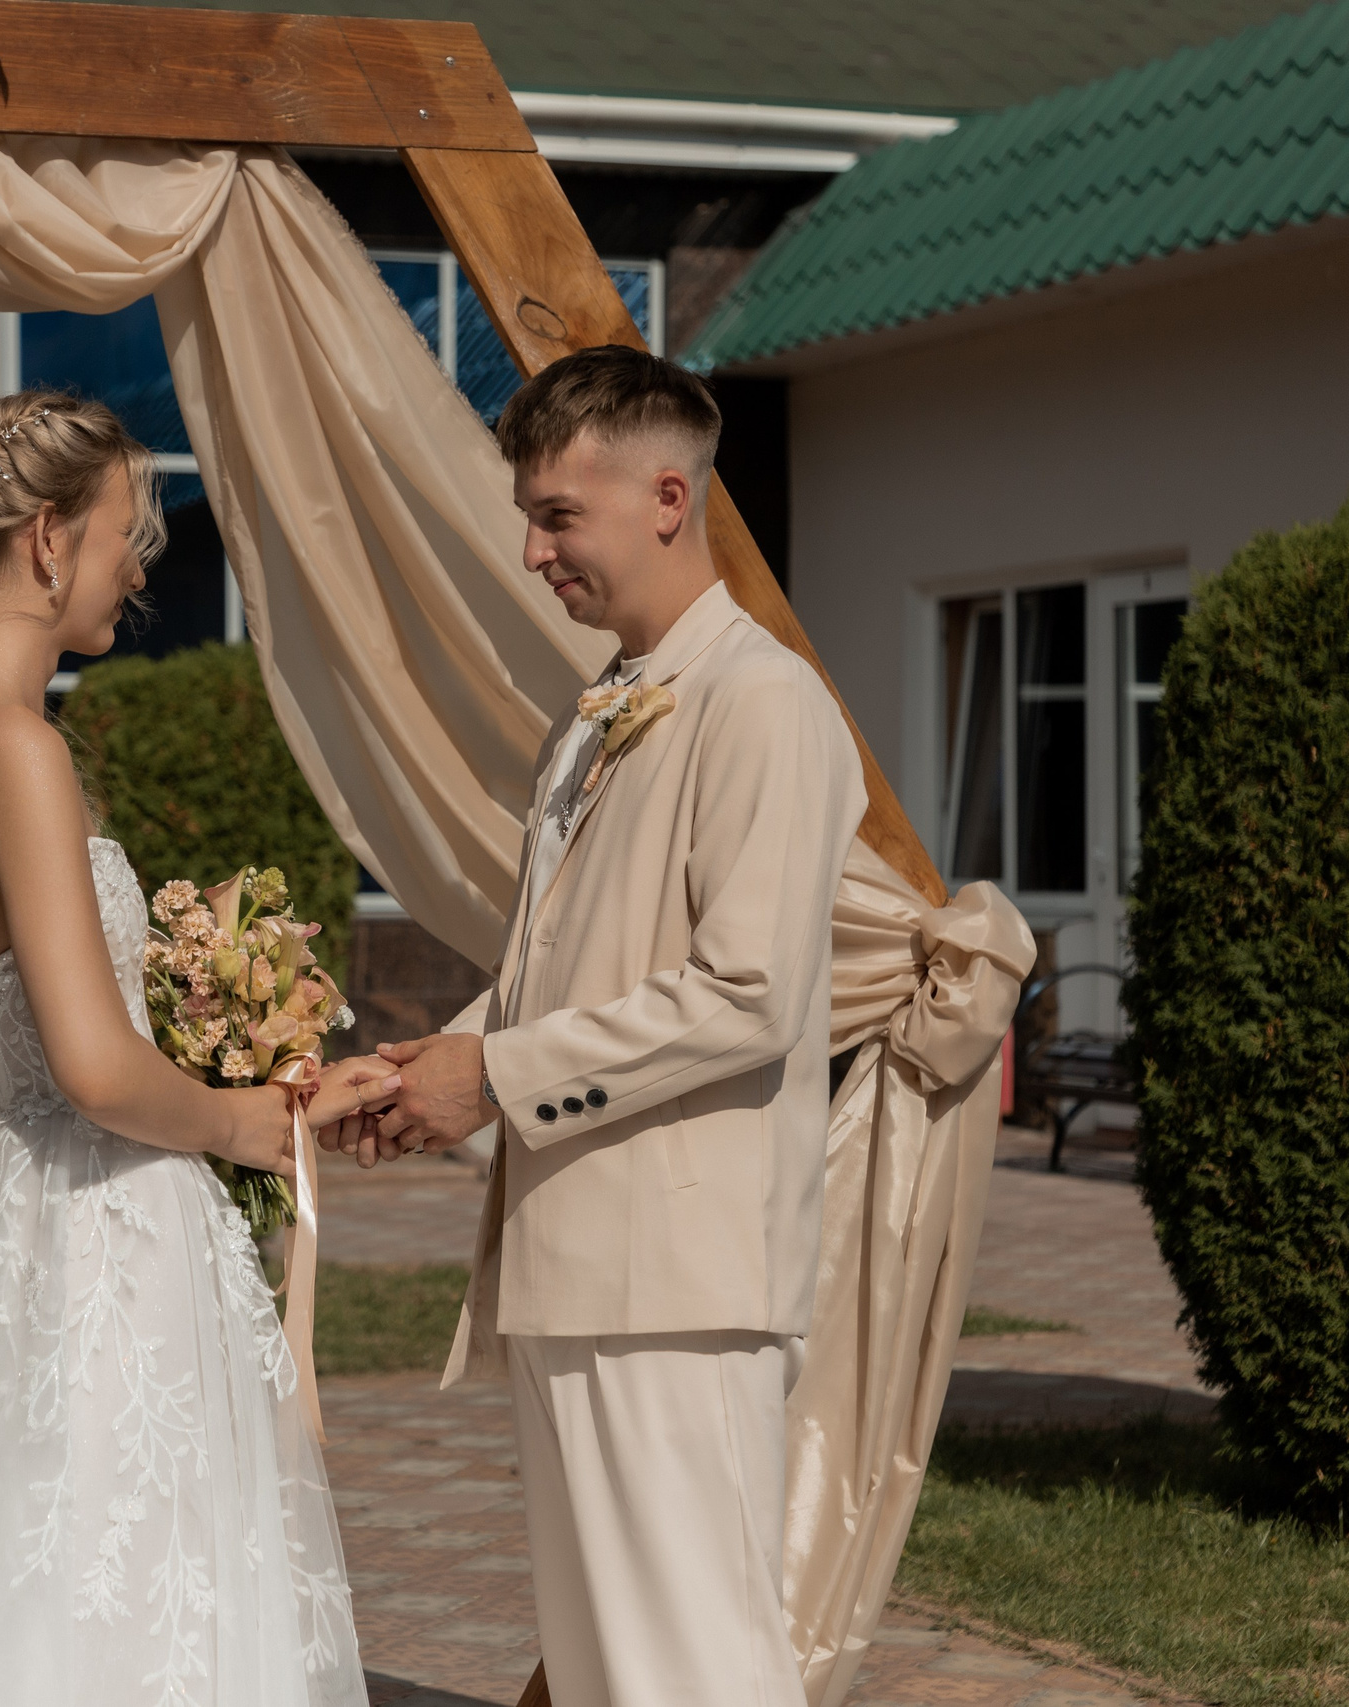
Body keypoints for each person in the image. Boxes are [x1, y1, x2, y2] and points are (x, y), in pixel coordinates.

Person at [0, 391, 393, 1707]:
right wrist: (250, 1124)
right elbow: (91, 1063)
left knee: (35, 1570)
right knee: (131, 1590)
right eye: (131, 532)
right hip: (105, 1236)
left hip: (18, 1220)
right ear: (50, 538)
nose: (142, 567)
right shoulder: (16, 748)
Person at [332, 347, 863, 1706]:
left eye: (558, 514)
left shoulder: (765, 702)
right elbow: (556, 977)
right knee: (603, 1672)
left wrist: (495, 1077)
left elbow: (749, 995)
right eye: (530, 515)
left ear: (669, 497)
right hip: (573, 1258)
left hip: (679, 1282)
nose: (532, 551)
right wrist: (412, 1075)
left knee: (692, 1669)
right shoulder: (594, 717)